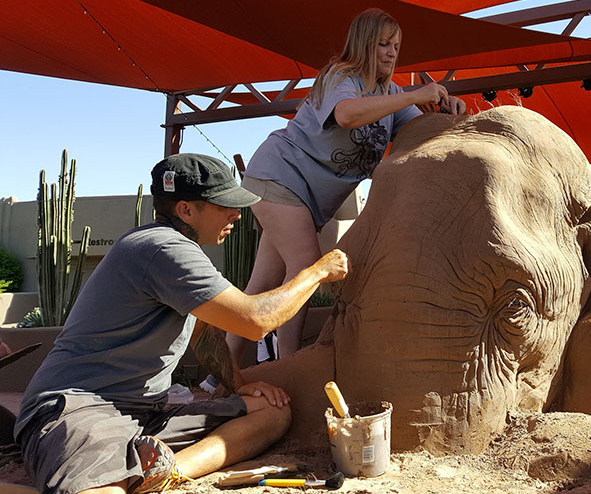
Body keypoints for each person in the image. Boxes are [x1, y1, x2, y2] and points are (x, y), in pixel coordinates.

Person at [13, 153, 349, 494]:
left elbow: (202, 331)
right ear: (186, 210)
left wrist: (236, 383)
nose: (236, 214)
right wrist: (317, 271)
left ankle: (164, 472)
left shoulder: (176, 249)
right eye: (223, 205)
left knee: (272, 413)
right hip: (81, 407)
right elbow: (257, 320)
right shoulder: (162, 248)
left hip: (142, 415)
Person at [229, 7, 467, 364]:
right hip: (280, 174)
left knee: (262, 286)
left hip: (307, 202)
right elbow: (346, 114)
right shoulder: (342, 76)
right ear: (364, 43)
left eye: (396, 46)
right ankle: (291, 364)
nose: (391, 52)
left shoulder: (393, 96)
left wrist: (448, 114)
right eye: (383, 44)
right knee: (307, 265)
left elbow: (419, 135)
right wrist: (415, 95)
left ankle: (218, 375)